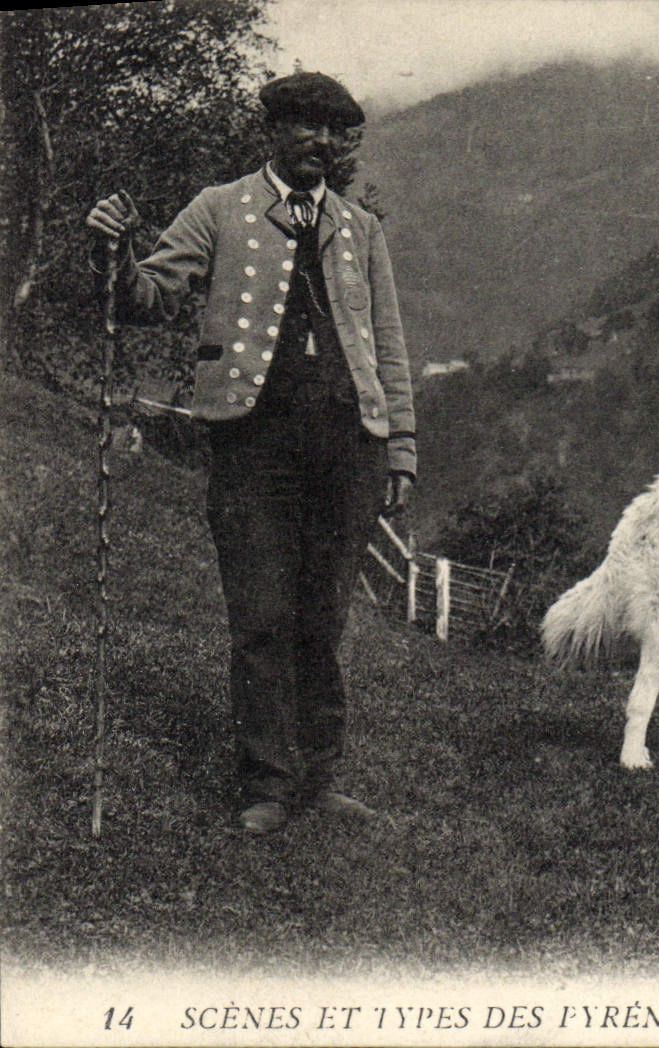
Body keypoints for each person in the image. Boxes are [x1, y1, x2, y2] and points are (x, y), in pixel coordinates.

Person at [86, 71, 416, 832]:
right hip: (253, 445)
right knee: (262, 615)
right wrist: (113, 248)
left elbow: (389, 346)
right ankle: (267, 784)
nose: (323, 144)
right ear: (271, 130)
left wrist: (399, 450)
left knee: (322, 617)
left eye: (337, 133)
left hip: (347, 446)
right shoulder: (219, 208)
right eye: (307, 127)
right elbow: (148, 297)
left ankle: (319, 780)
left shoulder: (360, 228)